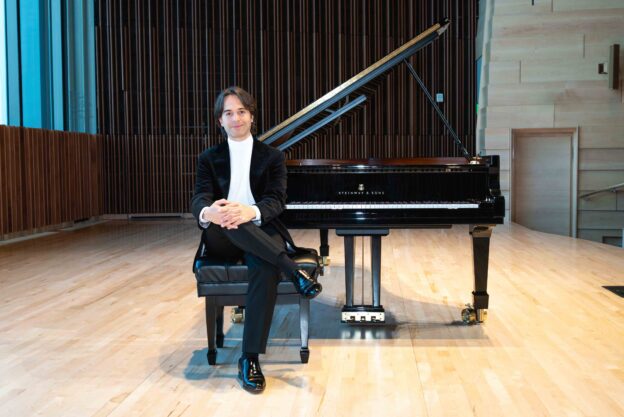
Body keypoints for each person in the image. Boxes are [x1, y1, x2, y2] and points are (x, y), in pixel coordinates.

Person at [190, 86, 322, 394]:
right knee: (228, 217)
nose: (235, 118)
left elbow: (276, 200)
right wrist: (210, 212)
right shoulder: (208, 158)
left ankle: (248, 359)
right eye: (228, 113)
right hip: (221, 233)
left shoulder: (272, 157)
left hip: (260, 228)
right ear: (220, 120)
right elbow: (200, 198)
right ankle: (292, 270)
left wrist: (249, 211)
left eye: (241, 112)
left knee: (263, 267)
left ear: (252, 116)